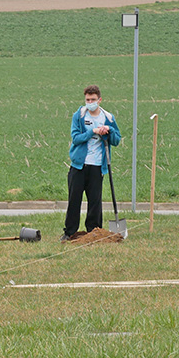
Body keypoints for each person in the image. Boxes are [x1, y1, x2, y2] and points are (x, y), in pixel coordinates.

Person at [62, 84, 121, 241]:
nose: (90, 102)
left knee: (95, 201)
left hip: (97, 167)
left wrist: (109, 131)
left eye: (93, 99)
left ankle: (94, 231)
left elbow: (116, 140)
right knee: (74, 200)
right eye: (87, 99)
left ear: (99, 100)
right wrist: (92, 132)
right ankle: (69, 232)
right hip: (79, 166)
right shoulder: (79, 116)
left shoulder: (108, 117)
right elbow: (76, 138)